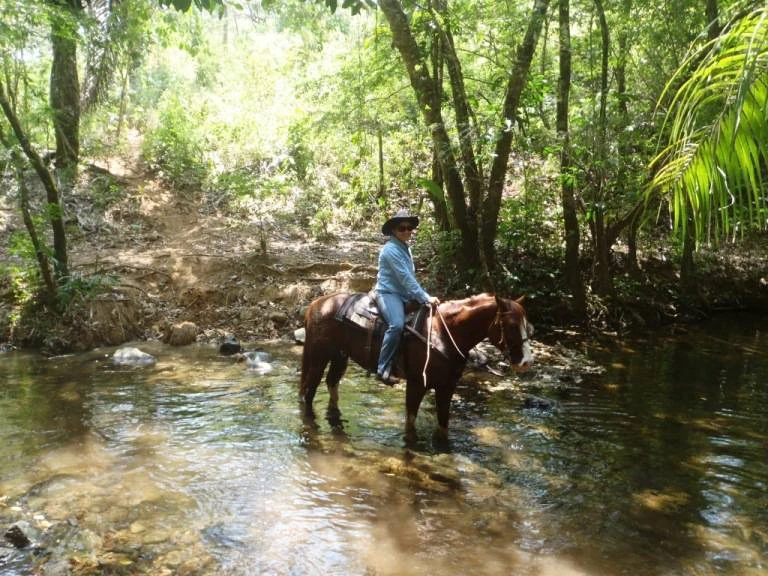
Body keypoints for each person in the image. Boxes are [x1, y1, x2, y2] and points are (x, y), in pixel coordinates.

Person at [373, 208, 439, 385]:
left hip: (403, 293)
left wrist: (422, 297)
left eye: (410, 228)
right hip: (388, 293)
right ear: (394, 230)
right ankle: (382, 367)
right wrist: (425, 296)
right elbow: (405, 278)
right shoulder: (390, 250)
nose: (407, 231)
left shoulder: (405, 248)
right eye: (402, 228)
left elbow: (409, 279)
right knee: (396, 325)